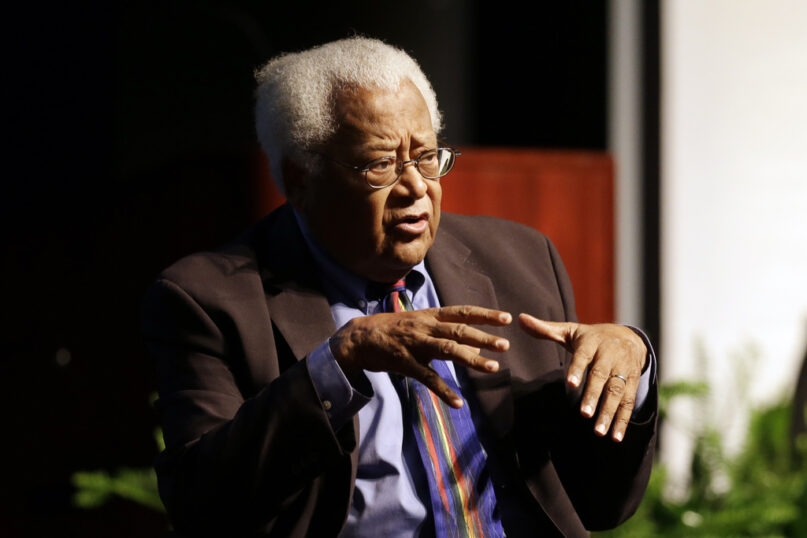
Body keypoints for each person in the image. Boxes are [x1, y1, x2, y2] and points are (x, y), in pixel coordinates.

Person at [142, 36, 657, 537]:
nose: (416, 188)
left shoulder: (521, 259)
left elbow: (600, 501)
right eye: (381, 165)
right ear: (300, 180)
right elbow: (201, 504)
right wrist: (339, 363)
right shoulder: (209, 298)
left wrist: (630, 362)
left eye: (427, 156)